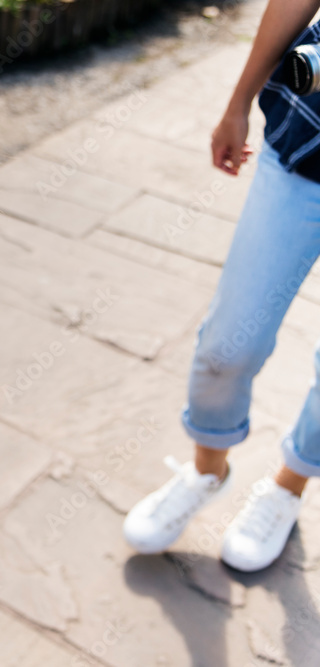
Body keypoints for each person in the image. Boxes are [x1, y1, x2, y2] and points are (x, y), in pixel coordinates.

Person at [123, 0, 320, 572]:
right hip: (304, 151)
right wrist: (237, 103)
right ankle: (208, 471)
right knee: (228, 344)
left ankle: (288, 486)